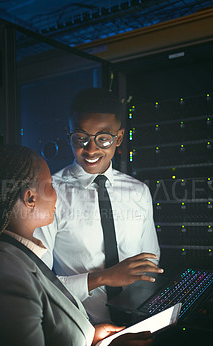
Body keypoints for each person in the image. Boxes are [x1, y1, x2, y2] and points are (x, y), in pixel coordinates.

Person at [0, 144, 155, 346]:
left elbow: (51, 332)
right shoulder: (6, 274)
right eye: (50, 186)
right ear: (31, 198)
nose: (57, 194)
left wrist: (90, 336)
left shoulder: (23, 257)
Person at [35, 87, 162, 324]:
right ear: (68, 134)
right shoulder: (48, 192)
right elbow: (36, 283)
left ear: (120, 138)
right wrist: (103, 278)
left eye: (103, 139)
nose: (91, 149)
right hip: (79, 331)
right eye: (80, 138)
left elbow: (150, 263)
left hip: (139, 323)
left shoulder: (138, 191)